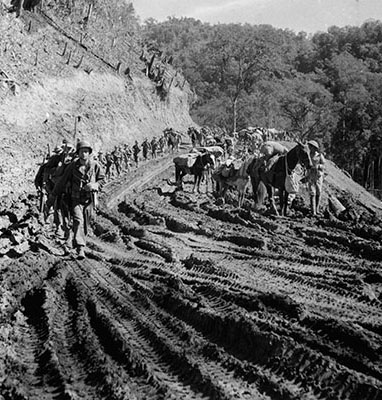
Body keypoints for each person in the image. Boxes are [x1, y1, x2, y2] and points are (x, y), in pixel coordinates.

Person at [54, 140, 105, 259]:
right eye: (82, 152)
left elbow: (102, 180)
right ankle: (80, 248)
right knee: (78, 220)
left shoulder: (95, 165)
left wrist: (95, 185)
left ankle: (80, 239)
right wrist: (54, 195)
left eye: (86, 152)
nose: (84, 154)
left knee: (86, 224)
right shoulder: (72, 166)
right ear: (78, 153)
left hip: (89, 200)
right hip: (75, 199)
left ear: (89, 153)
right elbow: (62, 181)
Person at [304, 140, 325, 216]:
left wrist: (318, 166)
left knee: (318, 192)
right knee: (312, 193)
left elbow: (324, 165)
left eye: (311, 147)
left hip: (318, 176)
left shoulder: (320, 156)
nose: (310, 148)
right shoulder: (308, 155)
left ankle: (317, 209)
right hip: (310, 175)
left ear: (314, 148)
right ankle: (313, 211)